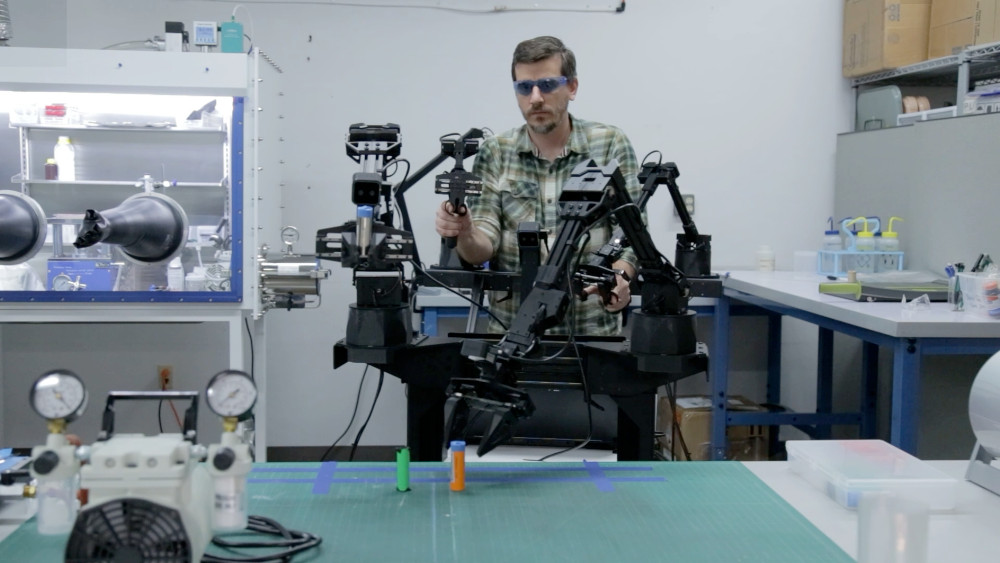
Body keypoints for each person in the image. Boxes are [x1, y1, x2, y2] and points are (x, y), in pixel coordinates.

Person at [434, 35, 644, 336]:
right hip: (510, 335)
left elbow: (632, 231)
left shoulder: (609, 144)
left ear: (571, 87)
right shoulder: (495, 152)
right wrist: (465, 230)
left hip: (590, 333)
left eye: (547, 85)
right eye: (524, 87)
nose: (535, 98)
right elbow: (482, 248)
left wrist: (621, 277)